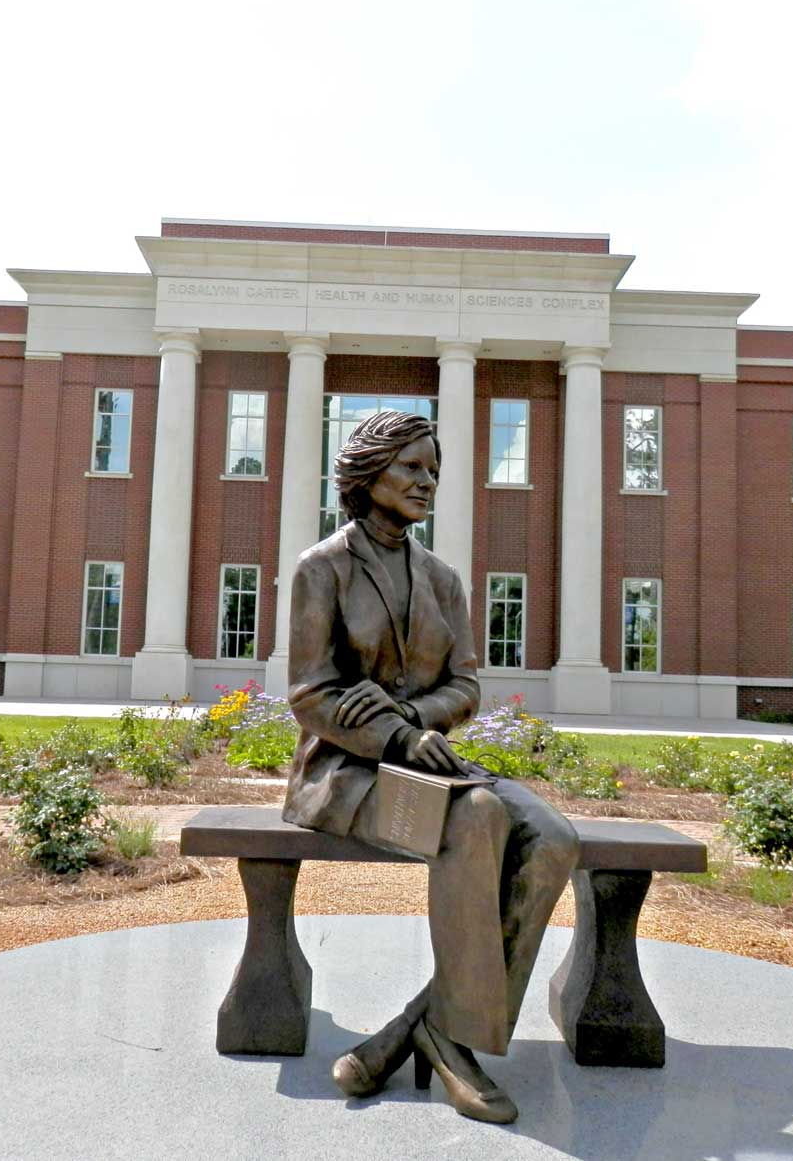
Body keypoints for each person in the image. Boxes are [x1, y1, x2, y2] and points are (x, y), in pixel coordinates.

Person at [283, 409, 578, 1125]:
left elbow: (466, 685)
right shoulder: (322, 568)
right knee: (475, 815)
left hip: (428, 759)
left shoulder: (442, 578)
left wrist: (415, 724)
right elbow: (311, 693)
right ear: (369, 471)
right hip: (346, 771)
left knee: (556, 837)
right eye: (412, 466)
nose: (428, 480)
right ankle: (453, 1044)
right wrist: (392, 736)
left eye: (434, 468)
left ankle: (422, 1027)